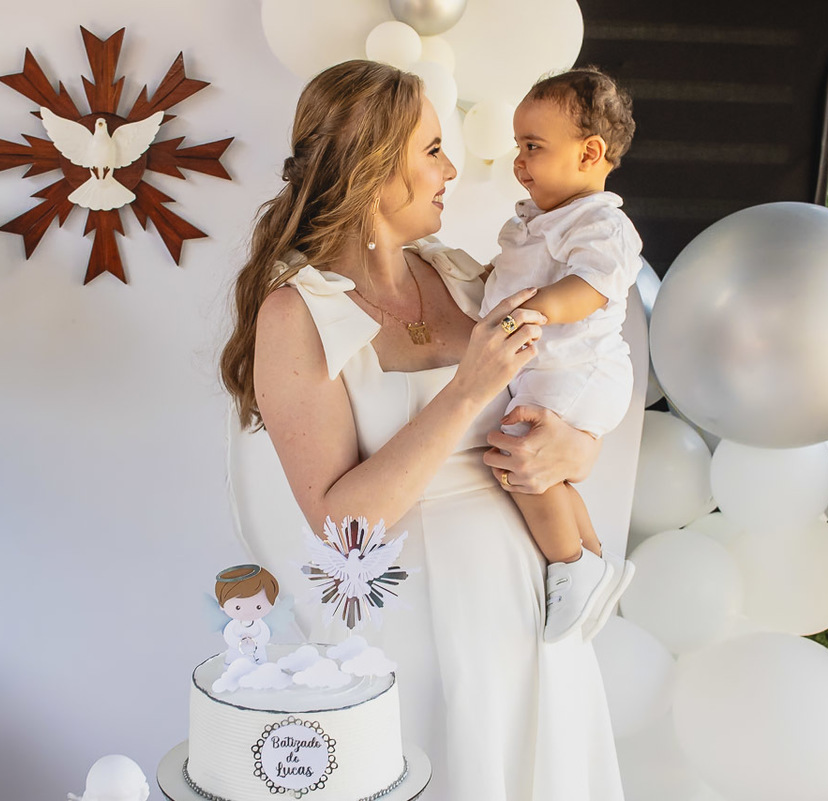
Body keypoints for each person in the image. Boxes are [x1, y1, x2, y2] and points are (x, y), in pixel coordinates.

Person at [220, 60, 625, 801]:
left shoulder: (466, 275)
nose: (453, 167)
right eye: (432, 149)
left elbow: (561, 391)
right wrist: (467, 385)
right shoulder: (297, 313)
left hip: (528, 609)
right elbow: (341, 523)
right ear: (376, 167)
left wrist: (578, 447)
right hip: (416, 632)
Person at [481, 68, 643, 645]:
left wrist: (535, 310)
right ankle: (593, 560)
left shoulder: (601, 223)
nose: (519, 161)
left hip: (582, 370)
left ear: (589, 153)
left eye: (533, 147)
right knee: (539, 466)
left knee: (521, 463)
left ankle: (571, 565)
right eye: (518, 146)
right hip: (556, 370)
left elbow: (592, 288)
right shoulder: (540, 219)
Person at [215, 564, 279, 664]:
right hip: (236, 655)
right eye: (238, 607)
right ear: (222, 605)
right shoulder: (232, 625)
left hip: (258, 655)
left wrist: (255, 641)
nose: (248, 613)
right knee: (234, 664)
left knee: (261, 663)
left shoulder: (260, 624)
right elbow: (229, 636)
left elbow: (265, 635)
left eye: (258, 607)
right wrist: (240, 641)